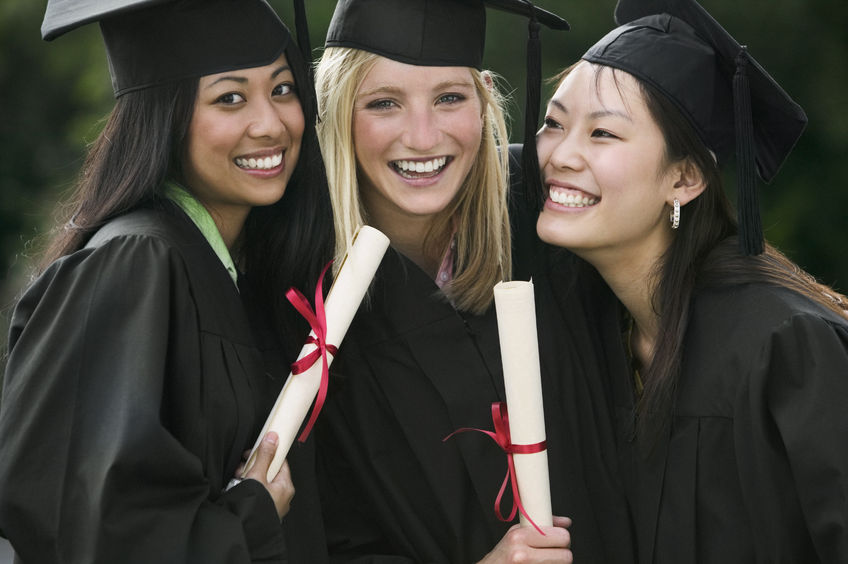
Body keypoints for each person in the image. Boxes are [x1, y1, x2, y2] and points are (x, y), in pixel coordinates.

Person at [0, 0, 333, 562]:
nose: (270, 123)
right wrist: (250, 519)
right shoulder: (135, 262)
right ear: (165, 115)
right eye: (230, 98)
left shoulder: (237, 272)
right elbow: (88, 527)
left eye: (282, 89)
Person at [312, 0, 636, 562]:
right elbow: (320, 538)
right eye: (384, 103)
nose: (422, 136)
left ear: (484, 102)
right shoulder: (306, 295)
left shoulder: (550, 218)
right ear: (338, 114)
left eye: (449, 98)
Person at [535, 0, 848, 562]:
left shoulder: (788, 345)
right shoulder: (597, 335)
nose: (562, 153)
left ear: (684, 178)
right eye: (554, 123)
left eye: (603, 133)